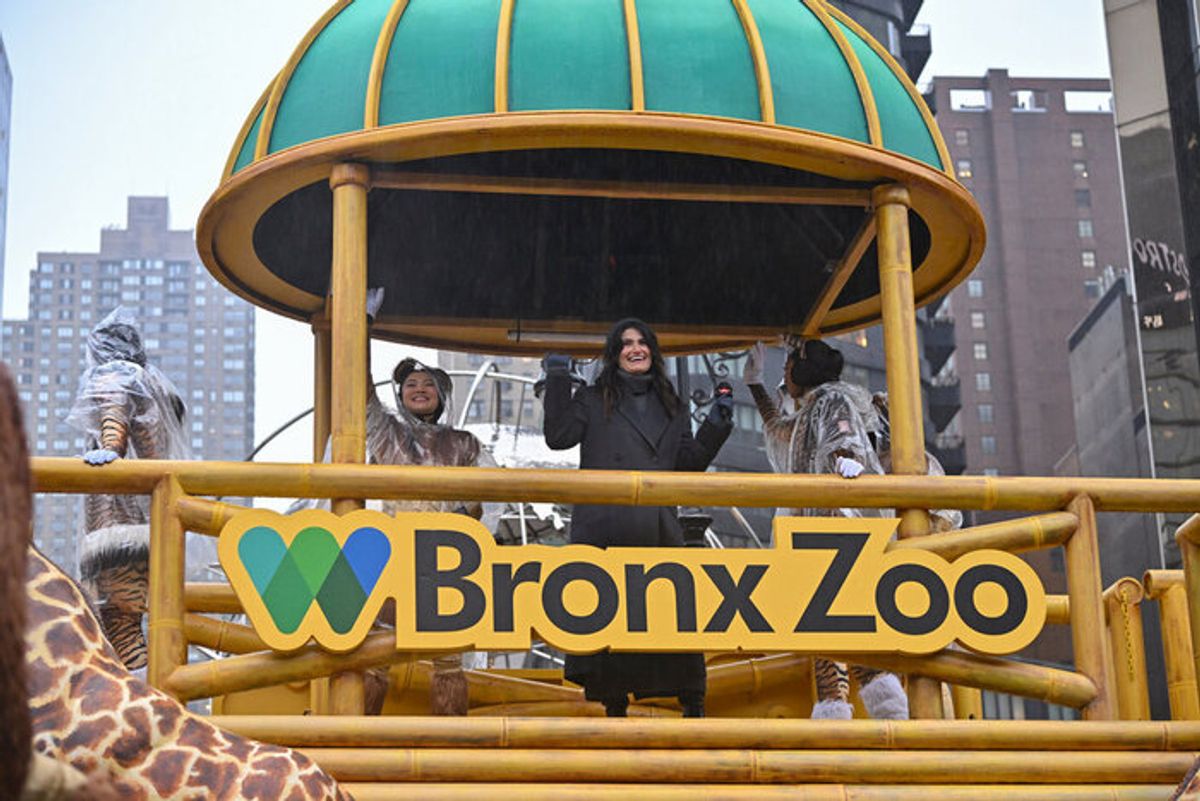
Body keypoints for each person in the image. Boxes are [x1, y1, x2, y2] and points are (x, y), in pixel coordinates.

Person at [542, 318, 733, 717]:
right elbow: (558, 435)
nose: (635, 349)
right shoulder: (594, 399)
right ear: (614, 354)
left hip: (657, 527)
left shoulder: (673, 405)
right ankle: (615, 708)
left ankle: (691, 705)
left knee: (668, 618)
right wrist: (558, 376)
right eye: (626, 343)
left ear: (652, 351)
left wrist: (717, 425)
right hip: (605, 527)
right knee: (612, 622)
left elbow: (687, 466)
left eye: (642, 342)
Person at [743, 338, 908, 721]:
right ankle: (845, 704)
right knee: (828, 622)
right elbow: (779, 430)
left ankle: (861, 705)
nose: (784, 374)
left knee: (841, 616)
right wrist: (753, 384)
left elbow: (842, 433)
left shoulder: (833, 399)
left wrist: (846, 459)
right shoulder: (810, 409)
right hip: (815, 531)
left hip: (836, 527)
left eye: (788, 367)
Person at [362, 289, 496, 714]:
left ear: (443, 394)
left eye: (427, 384)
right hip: (390, 560)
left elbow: (494, 497)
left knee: (449, 658)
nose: (418, 390)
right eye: (410, 385)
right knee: (373, 655)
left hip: (446, 562)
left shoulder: (465, 443)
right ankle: (357, 743)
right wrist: (359, 324)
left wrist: (466, 521)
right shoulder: (387, 435)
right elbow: (357, 390)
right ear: (399, 395)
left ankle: (450, 754)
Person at [65, 308, 190, 670]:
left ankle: (134, 694)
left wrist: (109, 449)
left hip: (117, 526)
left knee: (116, 621)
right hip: (154, 519)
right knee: (135, 622)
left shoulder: (115, 375)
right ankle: (151, 684)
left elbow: (114, 418)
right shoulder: (157, 384)